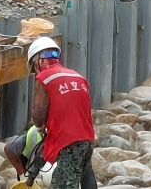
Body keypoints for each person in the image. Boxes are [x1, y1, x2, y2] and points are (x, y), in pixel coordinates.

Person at [28, 36, 97, 189]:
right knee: (85, 175)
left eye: (34, 66)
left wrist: (39, 128)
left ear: (38, 60)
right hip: (87, 137)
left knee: (64, 184)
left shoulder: (44, 77)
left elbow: (38, 112)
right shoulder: (76, 76)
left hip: (68, 141)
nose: (35, 71)